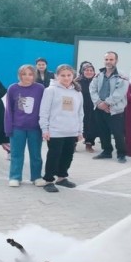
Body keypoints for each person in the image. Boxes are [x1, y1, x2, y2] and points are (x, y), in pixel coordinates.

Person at [39, 64, 83, 193]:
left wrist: (80, 130)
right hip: (55, 131)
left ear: (73, 76)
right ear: (56, 76)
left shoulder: (77, 92)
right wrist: (44, 129)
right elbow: (44, 111)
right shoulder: (50, 90)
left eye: (69, 75)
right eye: (63, 75)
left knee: (68, 155)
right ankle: (48, 180)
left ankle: (62, 177)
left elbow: (80, 112)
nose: (66, 78)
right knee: (54, 156)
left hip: (71, 130)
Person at [5, 64, 45, 187]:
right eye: (24, 74)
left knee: (36, 154)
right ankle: (15, 177)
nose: (27, 77)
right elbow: (9, 109)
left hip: (35, 128)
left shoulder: (40, 88)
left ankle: (36, 176)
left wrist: (44, 127)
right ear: (19, 75)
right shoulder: (13, 88)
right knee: (16, 154)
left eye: (30, 74)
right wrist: (8, 128)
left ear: (34, 75)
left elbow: (45, 108)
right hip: (17, 127)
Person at [90, 51, 128, 163]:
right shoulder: (98, 75)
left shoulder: (122, 76)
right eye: (106, 59)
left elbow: (120, 92)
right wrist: (99, 103)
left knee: (118, 133)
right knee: (103, 131)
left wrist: (106, 103)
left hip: (115, 110)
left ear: (116, 61)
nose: (108, 62)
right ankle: (106, 151)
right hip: (99, 108)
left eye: (111, 59)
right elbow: (92, 89)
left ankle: (121, 154)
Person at [76, 61, 97, 152]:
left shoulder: (97, 81)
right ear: (82, 71)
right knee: (78, 124)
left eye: (91, 70)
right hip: (80, 107)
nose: (89, 72)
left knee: (92, 125)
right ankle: (74, 143)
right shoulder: (77, 82)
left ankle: (89, 143)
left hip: (93, 107)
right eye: (86, 70)